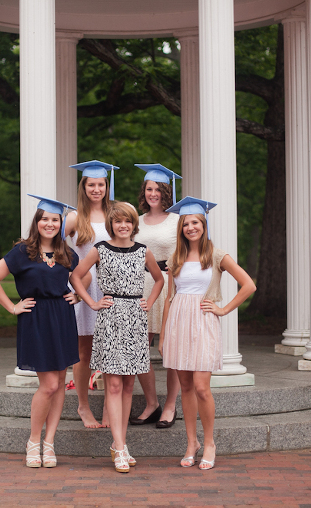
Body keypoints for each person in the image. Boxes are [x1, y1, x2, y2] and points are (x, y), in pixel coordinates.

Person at [0, 194, 82, 469]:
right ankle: (34, 440)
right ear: (37, 222)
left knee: (61, 382)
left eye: (54, 220)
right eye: (45, 219)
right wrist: (12, 307)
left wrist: (79, 296)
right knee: (49, 385)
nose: (49, 224)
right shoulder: (22, 251)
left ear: (61, 223)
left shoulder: (66, 252)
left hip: (62, 318)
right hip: (36, 319)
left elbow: (81, 276)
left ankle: (50, 443)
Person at [158, 197, 256, 471]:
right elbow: (169, 298)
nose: (191, 227)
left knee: (202, 387)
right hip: (178, 323)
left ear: (204, 225)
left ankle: (209, 442)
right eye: (186, 223)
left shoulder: (216, 255)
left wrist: (223, 309)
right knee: (185, 387)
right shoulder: (175, 258)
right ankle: (192, 443)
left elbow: (248, 285)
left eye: (195, 223)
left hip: (203, 322)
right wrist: (164, 336)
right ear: (181, 228)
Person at [70, 202, 164, 473]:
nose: (122, 225)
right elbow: (76, 276)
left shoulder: (143, 251)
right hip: (110, 319)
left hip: (135, 317)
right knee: (112, 385)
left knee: (126, 386)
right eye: (117, 221)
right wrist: (91, 302)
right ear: (111, 224)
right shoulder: (100, 249)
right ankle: (120, 447)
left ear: (134, 224)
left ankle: (119, 444)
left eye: (127, 221)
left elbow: (158, 280)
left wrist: (150, 301)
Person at [63, 160, 119, 428]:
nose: (96, 189)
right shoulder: (74, 217)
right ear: (83, 187)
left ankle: (110, 407)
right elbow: (56, 248)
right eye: (91, 185)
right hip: (83, 285)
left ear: (107, 186)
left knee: (109, 349)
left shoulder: (116, 213)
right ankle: (83, 406)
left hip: (112, 288)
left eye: (101, 184)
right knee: (84, 351)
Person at [130, 163, 182, 428]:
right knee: (139, 347)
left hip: (170, 284)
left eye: (158, 189)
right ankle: (152, 402)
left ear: (166, 192)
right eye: (149, 189)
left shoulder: (177, 220)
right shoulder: (136, 222)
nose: (153, 194)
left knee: (171, 349)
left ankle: (170, 405)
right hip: (141, 285)